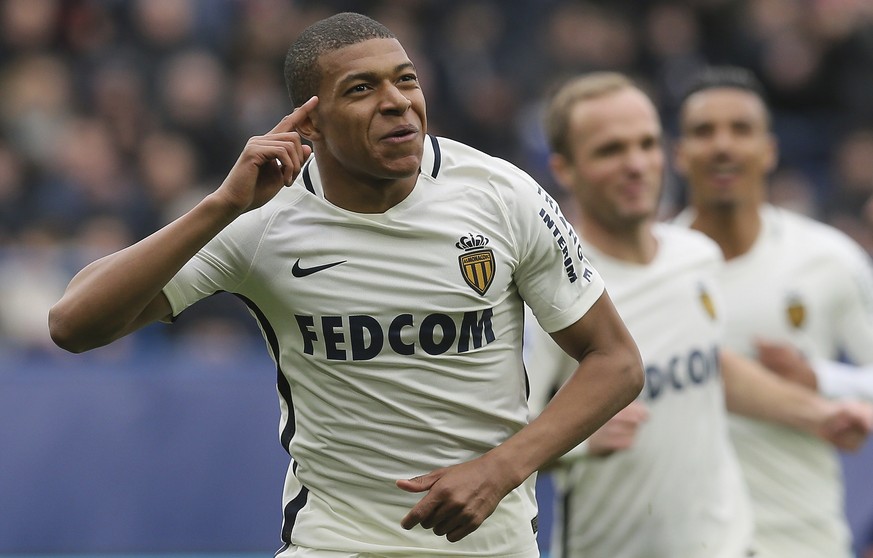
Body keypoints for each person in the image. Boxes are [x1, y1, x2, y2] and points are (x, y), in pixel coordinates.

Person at [48, 12, 645, 558]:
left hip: (491, 545)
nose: (397, 103)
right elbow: (72, 325)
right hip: (334, 544)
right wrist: (221, 207)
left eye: (406, 81)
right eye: (361, 89)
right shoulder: (260, 219)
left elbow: (615, 361)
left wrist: (501, 468)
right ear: (311, 120)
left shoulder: (501, 194)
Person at [526, 71, 873, 558]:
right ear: (564, 168)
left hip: (754, 542)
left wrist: (822, 404)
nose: (635, 164)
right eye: (610, 150)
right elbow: (499, 434)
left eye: (646, 144)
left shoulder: (696, 258)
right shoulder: (551, 290)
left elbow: (711, 363)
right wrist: (575, 437)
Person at [673, 65, 873, 558]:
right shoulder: (653, 272)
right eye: (704, 131)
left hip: (804, 540)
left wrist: (821, 380)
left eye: (740, 129)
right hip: (683, 542)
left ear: (770, 150)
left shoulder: (829, 259)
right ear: (679, 155)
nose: (722, 145)